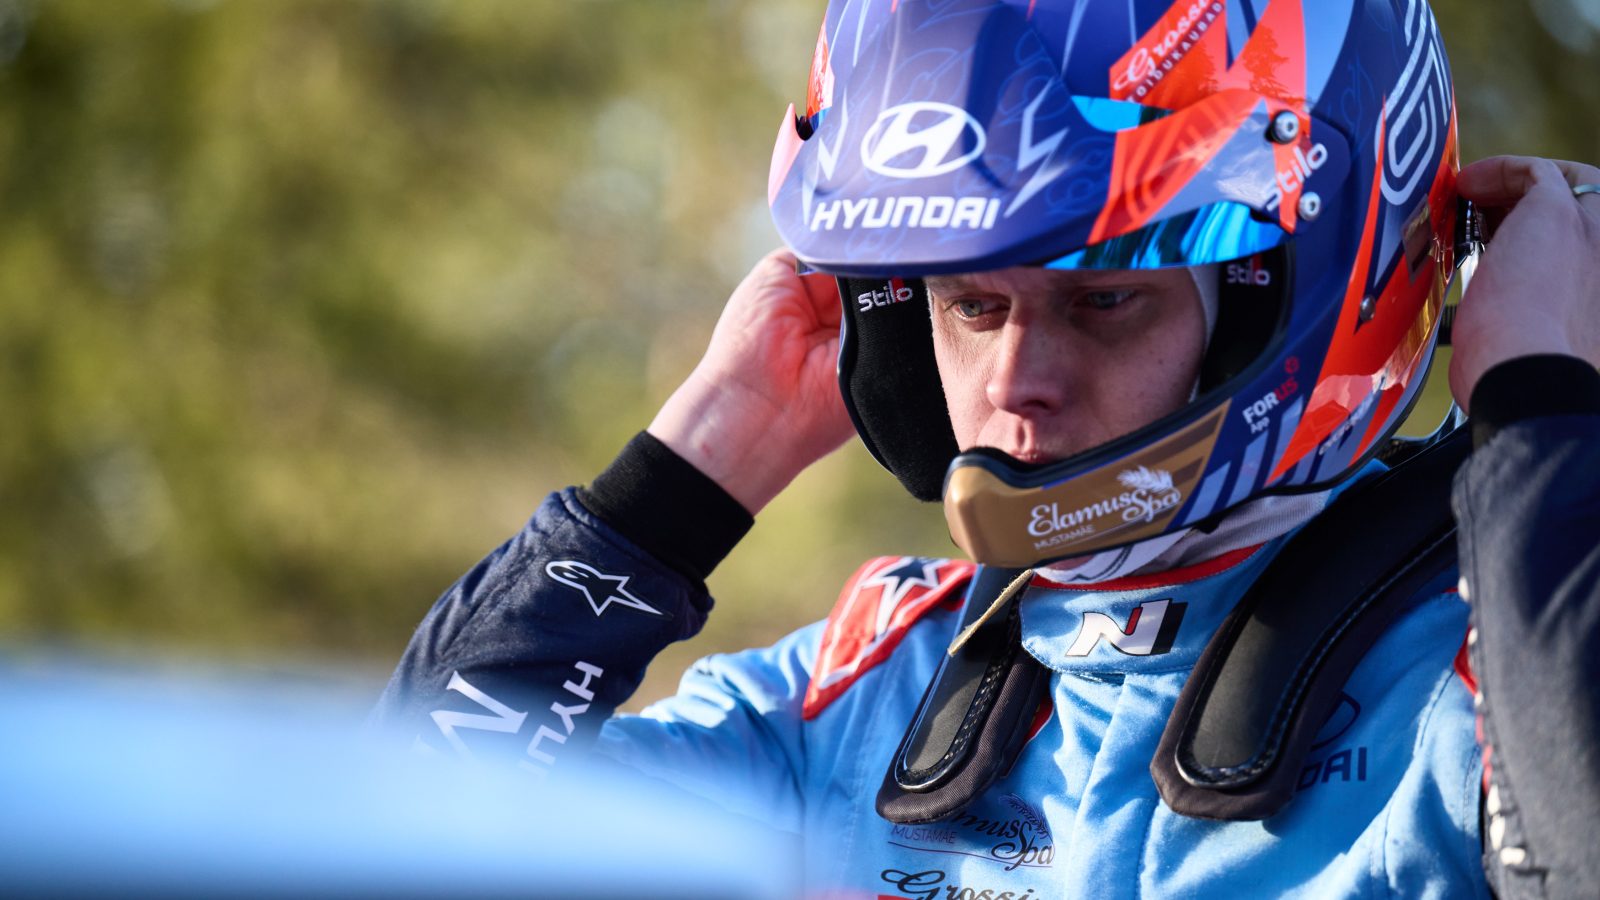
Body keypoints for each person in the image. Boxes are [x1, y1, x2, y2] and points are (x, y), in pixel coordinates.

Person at [373, 1, 1600, 896]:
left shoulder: (1484, 672)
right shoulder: (859, 699)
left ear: (1305, 296)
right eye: (970, 306)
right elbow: (403, 842)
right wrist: (695, 464)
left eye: (1105, 298)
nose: (1014, 384)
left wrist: (1538, 403)